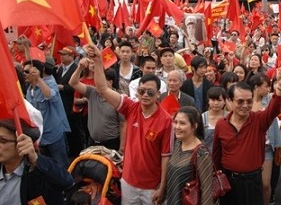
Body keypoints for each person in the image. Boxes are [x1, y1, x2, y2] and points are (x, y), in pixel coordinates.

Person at [86, 44, 172, 205]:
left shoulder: (166, 120)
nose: (145, 95)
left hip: (152, 187)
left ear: (159, 94)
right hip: (128, 183)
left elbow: (166, 156)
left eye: (150, 92)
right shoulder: (130, 107)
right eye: (141, 91)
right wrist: (98, 62)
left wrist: (162, 186)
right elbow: (102, 89)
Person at [213, 66, 281, 205]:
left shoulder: (258, 120)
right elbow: (216, 156)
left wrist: (280, 86)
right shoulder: (221, 125)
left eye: (249, 101)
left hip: (252, 183)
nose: (245, 105)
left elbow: (274, 109)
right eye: (240, 101)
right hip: (228, 183)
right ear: (229, 101)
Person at [0, 118, 74, 204]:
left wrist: (36, 160)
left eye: (3, 140)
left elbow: (67, 182)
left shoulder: (38, 173)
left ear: (22, 143)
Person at [69, 58, 126, 152]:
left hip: (111, 145)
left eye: (101, 80)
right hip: (92, 142)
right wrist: (80, 67)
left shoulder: (118, 99)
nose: (97, 82)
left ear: (110, 82)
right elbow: (73, 83)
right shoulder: (92, 92)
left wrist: (122, 147)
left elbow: (123, 124)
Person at [23, 59, 71, 168]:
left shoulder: (50, 83)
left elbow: (51, 96)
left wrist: (39, 79)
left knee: (61, 166)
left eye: (26, 72)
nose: (24, 74)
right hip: (41, 137)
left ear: (36, 72)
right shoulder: (29, 90)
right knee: (47, 167)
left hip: (54, 134)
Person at [166, 106, 215, 205]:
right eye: (175, 122)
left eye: (182, 123)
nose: (177, 127)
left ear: (194, 126)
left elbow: (207, 190)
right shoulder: (178, 143)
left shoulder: (201, 152)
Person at [248, 73, 281, 205]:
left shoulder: (269, 100)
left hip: (266, 148)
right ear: (256, 87)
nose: (269, 89)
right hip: (249, 147)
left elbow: (279, 99)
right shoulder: (246, 102)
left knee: (265, 184)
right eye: (266, 86)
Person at [202, 86, 227, 152]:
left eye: (219, 100)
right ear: (208, 101)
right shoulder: (202, 118)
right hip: (206, 156)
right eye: (213, 100)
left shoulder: (230, 117)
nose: (216, 103)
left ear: (225, 101)